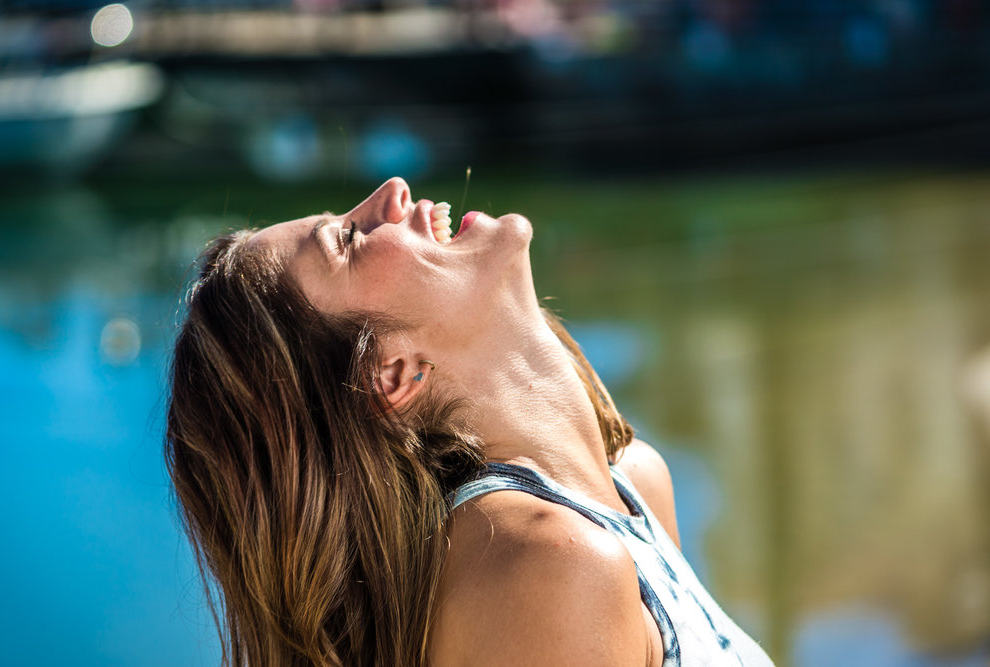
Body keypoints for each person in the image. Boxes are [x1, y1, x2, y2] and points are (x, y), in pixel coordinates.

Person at [165, 177, 774, 666]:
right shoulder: (549, 567)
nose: (393, 192)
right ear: (392, 376)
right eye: (347, 242)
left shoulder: (633, 482)